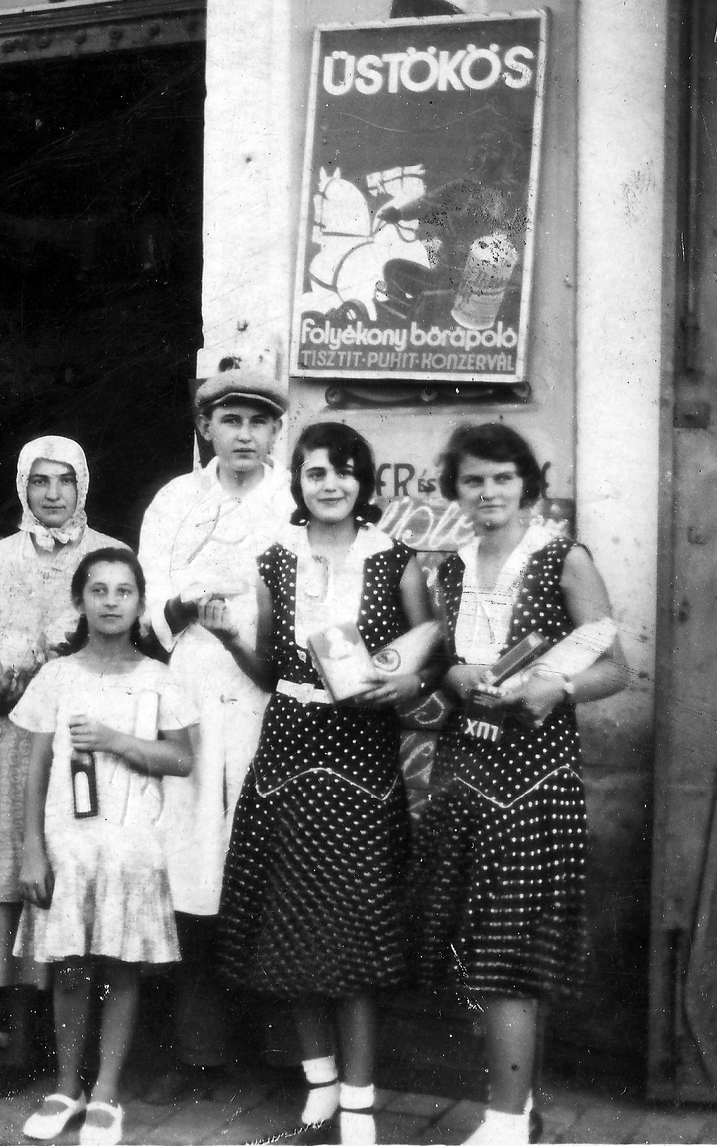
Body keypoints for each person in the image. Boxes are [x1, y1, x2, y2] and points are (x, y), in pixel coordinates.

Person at [210, 421, 433, 1146]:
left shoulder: (395, 558)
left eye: (343, 471)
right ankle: (321, 1087)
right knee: (293, 924)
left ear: (363, 482)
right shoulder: (276, 560)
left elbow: (429, 657)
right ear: (298, 483)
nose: (330, 484)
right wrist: (226, 636)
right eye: (315, 473)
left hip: (362, 760)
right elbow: (269, 668)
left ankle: (361, 1108)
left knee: (355, 931)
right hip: (288, 757)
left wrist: (396, 689)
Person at [411, 423, 628, 1146]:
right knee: (475, 947)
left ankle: (504, 1123)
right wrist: (454, 673)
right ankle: (518, 1107)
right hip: (463, 773)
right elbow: (438, 665)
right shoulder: (450, 568)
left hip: (533, 780)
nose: (488, 493)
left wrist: (556, 686)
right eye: (473, 480)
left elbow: (614, 665)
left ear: (527, 485)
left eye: (503, 479)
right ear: (456, 490)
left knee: (509, 952)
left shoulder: (564, 558)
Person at [0, 436, 127, 1098]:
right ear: (24, 485)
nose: (52, 494)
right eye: (40, 481)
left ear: (83, 485)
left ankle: (77, 1055)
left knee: (78, 883)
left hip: (83, 738)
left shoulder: (110, 553)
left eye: (64, 481)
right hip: (9, 740)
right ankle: (18, 1047)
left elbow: (129, 639)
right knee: (15, 892)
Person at [135, 368, 295, 1099]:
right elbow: (148, 608)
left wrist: (248, 630)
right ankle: (195, 1049)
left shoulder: (293, 498)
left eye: (258, 423)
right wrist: (189, 603)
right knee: (191, 865)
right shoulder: (176, 500)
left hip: (268, 699)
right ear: (206, 428)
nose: (244, 436)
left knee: (263, 868)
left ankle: (279, 1050)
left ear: (274, 432)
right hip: (192, 689)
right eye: (230, 420)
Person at [14, 548, 197, 1146]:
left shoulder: (159, 679)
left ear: (141, 603)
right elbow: (34, 768)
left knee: (120, 967)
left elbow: (181, 757)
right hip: (69, 845)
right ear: (80, 600)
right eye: (99, 590)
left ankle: (107, 1092)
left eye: (124, 591)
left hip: (131, 848)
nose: (111, 602)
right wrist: (31, 849)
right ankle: (66, 1086)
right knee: (69, 965)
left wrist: (118, 740)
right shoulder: (56, 676)